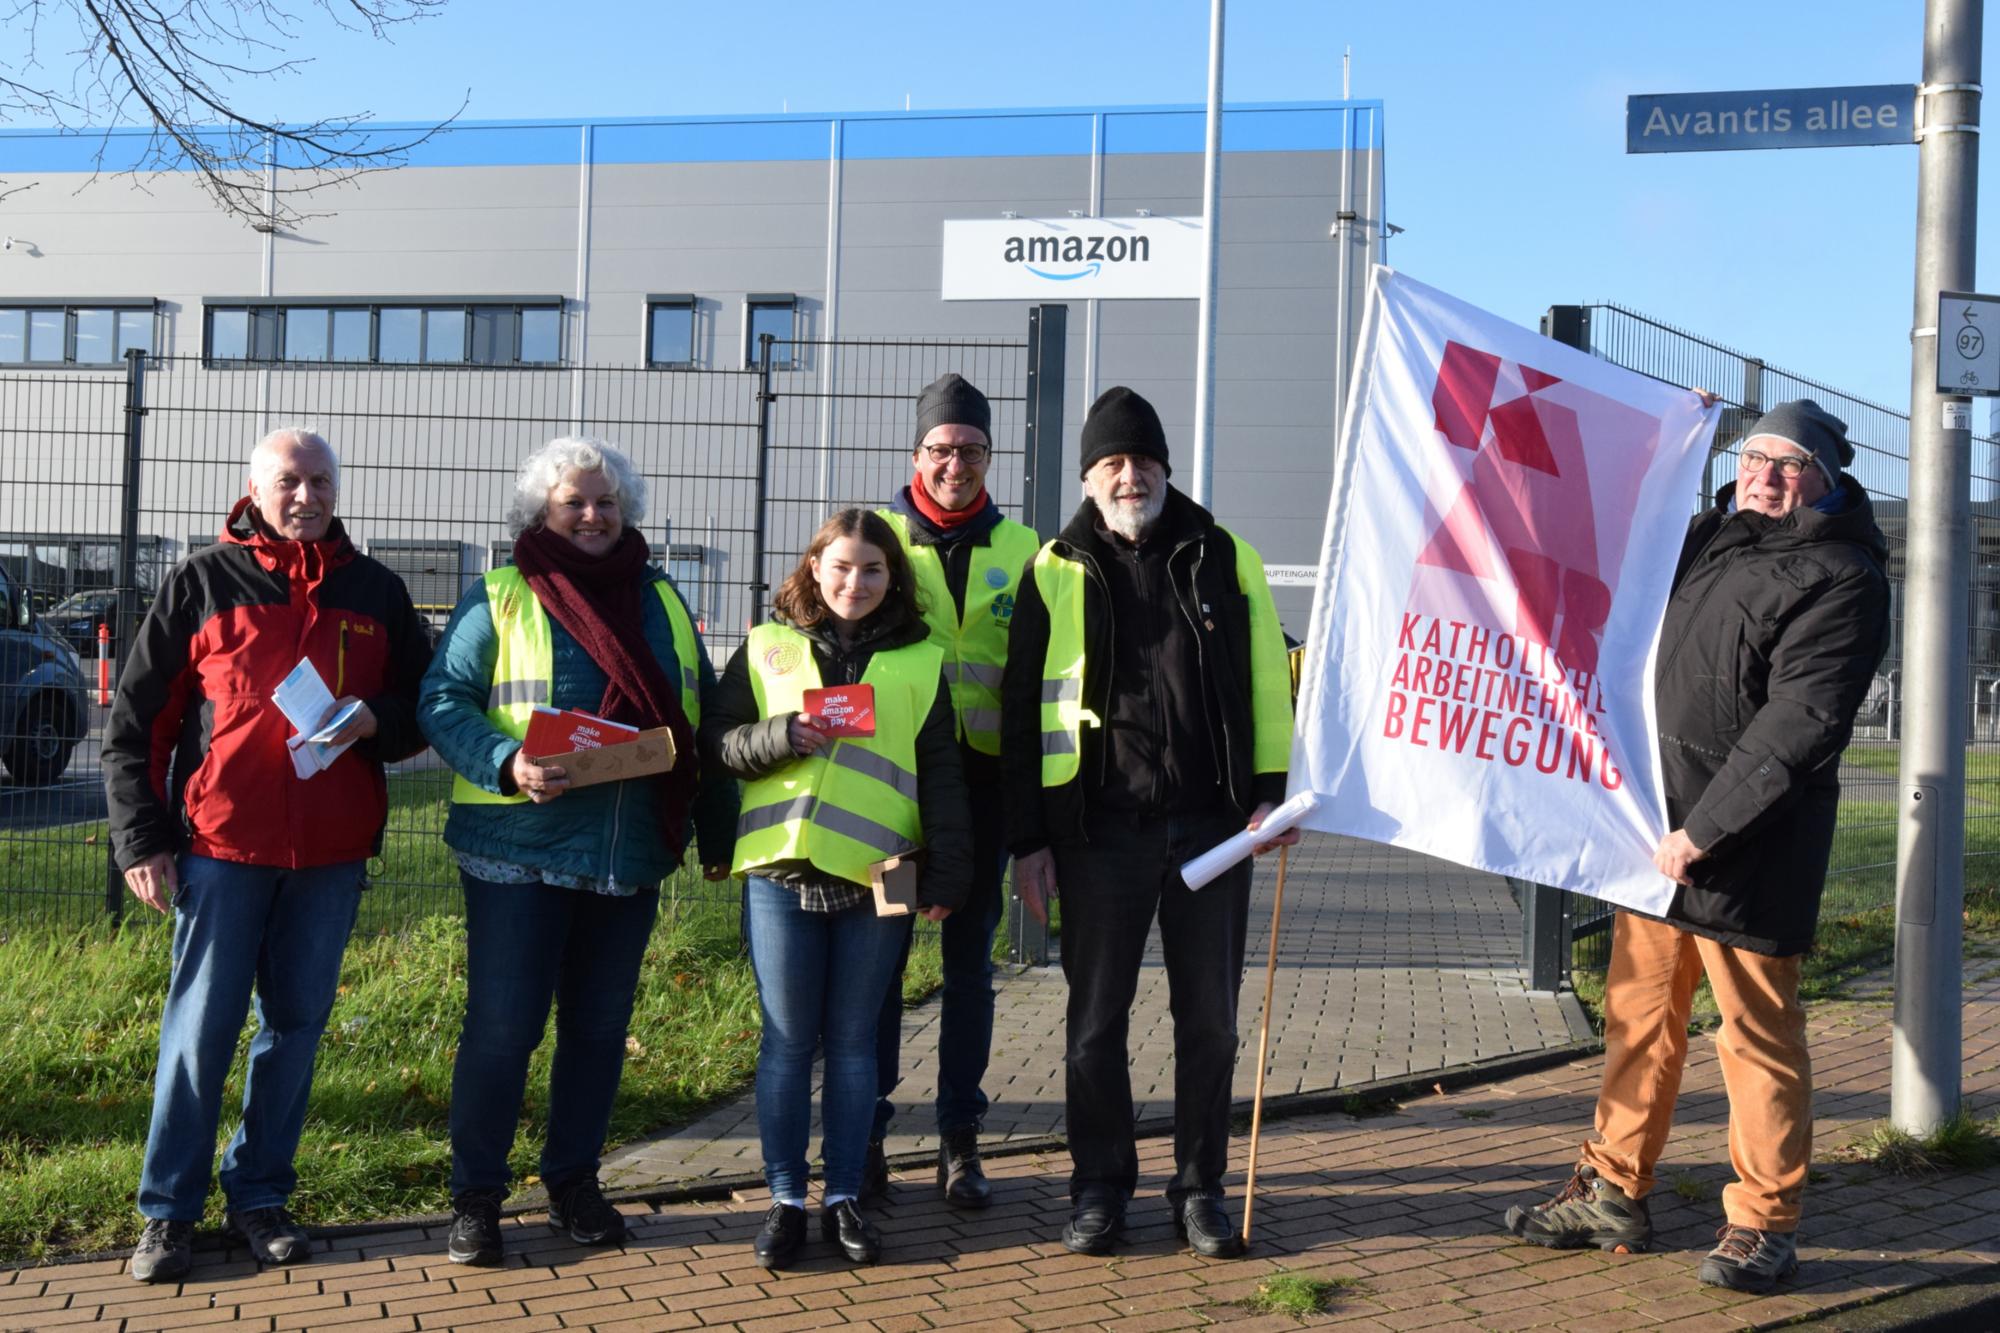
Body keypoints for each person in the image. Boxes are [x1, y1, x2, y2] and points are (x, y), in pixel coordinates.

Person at [1503, 398, 1891, 1294]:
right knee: (1638, 1017)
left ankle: (1764, 1220)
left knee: (1753, 1036)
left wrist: (1704, 831)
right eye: (1754, 457)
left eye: (1789, 464)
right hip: (1655, 834)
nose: (1765, 475)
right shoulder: (1714, 536)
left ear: (1826, 478)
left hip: (1746, 845)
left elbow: (1800, 721)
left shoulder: (1842, 574)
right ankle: (1611, 1187)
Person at [105, 427, 432, 1284]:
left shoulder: (378, 592)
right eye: (290, 480)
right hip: (220, 850)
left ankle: (259, 1195)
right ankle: (167, 1213)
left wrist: (374, 721)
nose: (307, 495)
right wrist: (141, 839)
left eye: (320, 480)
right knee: (198, 1035)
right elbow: (138, 726)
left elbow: (422, 707)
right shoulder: (203, 582)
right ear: (254, 487)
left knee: (292, 1032)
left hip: (330, 857)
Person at [418, 437, 737, 1267]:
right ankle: (477, 1197)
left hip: (623, 853)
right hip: (515, 847)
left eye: (605, 503)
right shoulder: (501, 593)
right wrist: (506, 761)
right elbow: (442, 699)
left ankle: (573, 1184)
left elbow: (695, 718)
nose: (593, 516)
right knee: (503, 1029)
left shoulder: (661, 600)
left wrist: (715, 827)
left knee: (597, 1033)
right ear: (542, 512)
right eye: (574, 503)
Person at [999, 386, 1298, 1259]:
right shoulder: (1052, 567)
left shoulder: (1223, 554)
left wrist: (1272, 792)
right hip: (1099, 833)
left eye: (1143, 459)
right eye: (1112, 462)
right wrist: (1029, 837)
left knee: (1210, 1019)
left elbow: (1266, 680)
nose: (1130, 475)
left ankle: (1200, 1189)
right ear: (1090, 477)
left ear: (1167, 466)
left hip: (1215, 827)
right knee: (1096, 1023)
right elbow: (1025, 710)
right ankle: (1099, 1188)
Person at [701, 508, 971, 1269]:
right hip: (783, 869)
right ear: (815, 567)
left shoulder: (923, 659)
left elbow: (943, 773)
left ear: (895, 578)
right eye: (842, 566)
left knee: (855, 1047)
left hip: (883, 872)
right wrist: (779, 737)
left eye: (874, 569)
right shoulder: (766, 646)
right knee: (788, 1042)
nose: (856, 581)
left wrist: (949, 869)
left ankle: (844, 1194)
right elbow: (717, 742)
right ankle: (786, 1198)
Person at [868, 372, 1042, 1206]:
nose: (955, 464)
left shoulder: (1028, 551)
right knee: (883, 958)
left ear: (988, 456)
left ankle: (959, 1142)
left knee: (970, 966)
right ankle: (866, 1135)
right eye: (941, 449)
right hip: (895, 791)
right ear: (917, 455)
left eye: (971, 450)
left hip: (983, 794)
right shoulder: (877, 542)